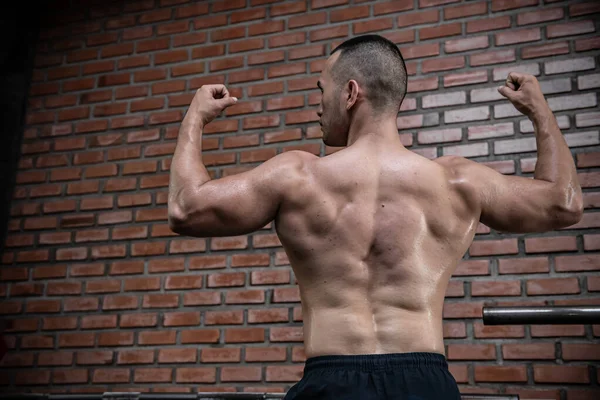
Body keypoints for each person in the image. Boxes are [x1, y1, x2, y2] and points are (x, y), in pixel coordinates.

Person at [167, 34, 583, 399]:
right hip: (425, 383)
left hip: (332, 382)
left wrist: (196, 117)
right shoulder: (457, 181)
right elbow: (563, 203)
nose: (318, 106)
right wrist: (539, 113)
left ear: (350, 93)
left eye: (321, 91)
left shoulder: (297, 176)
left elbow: (186, 208)